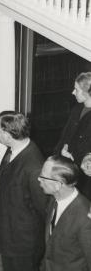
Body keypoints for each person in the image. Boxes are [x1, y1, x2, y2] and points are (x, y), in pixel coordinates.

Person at [0, 111, 48, 271]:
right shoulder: (14, 150)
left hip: (22, 243)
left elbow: (44, 208)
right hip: (10, 237)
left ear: (8, 134)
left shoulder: (33, 166)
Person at [39, 155, 91, 271]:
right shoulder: (53, 200)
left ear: (58, 184)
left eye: (43, 176)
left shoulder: (85, 218)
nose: (39, 179)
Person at [54, 71, 91, 200]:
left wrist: (74, 157)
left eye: (76, 89)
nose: (73, 92)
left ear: (87, 93)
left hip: (84, 181)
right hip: (66, 170)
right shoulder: (77, 109)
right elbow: (65, 137)